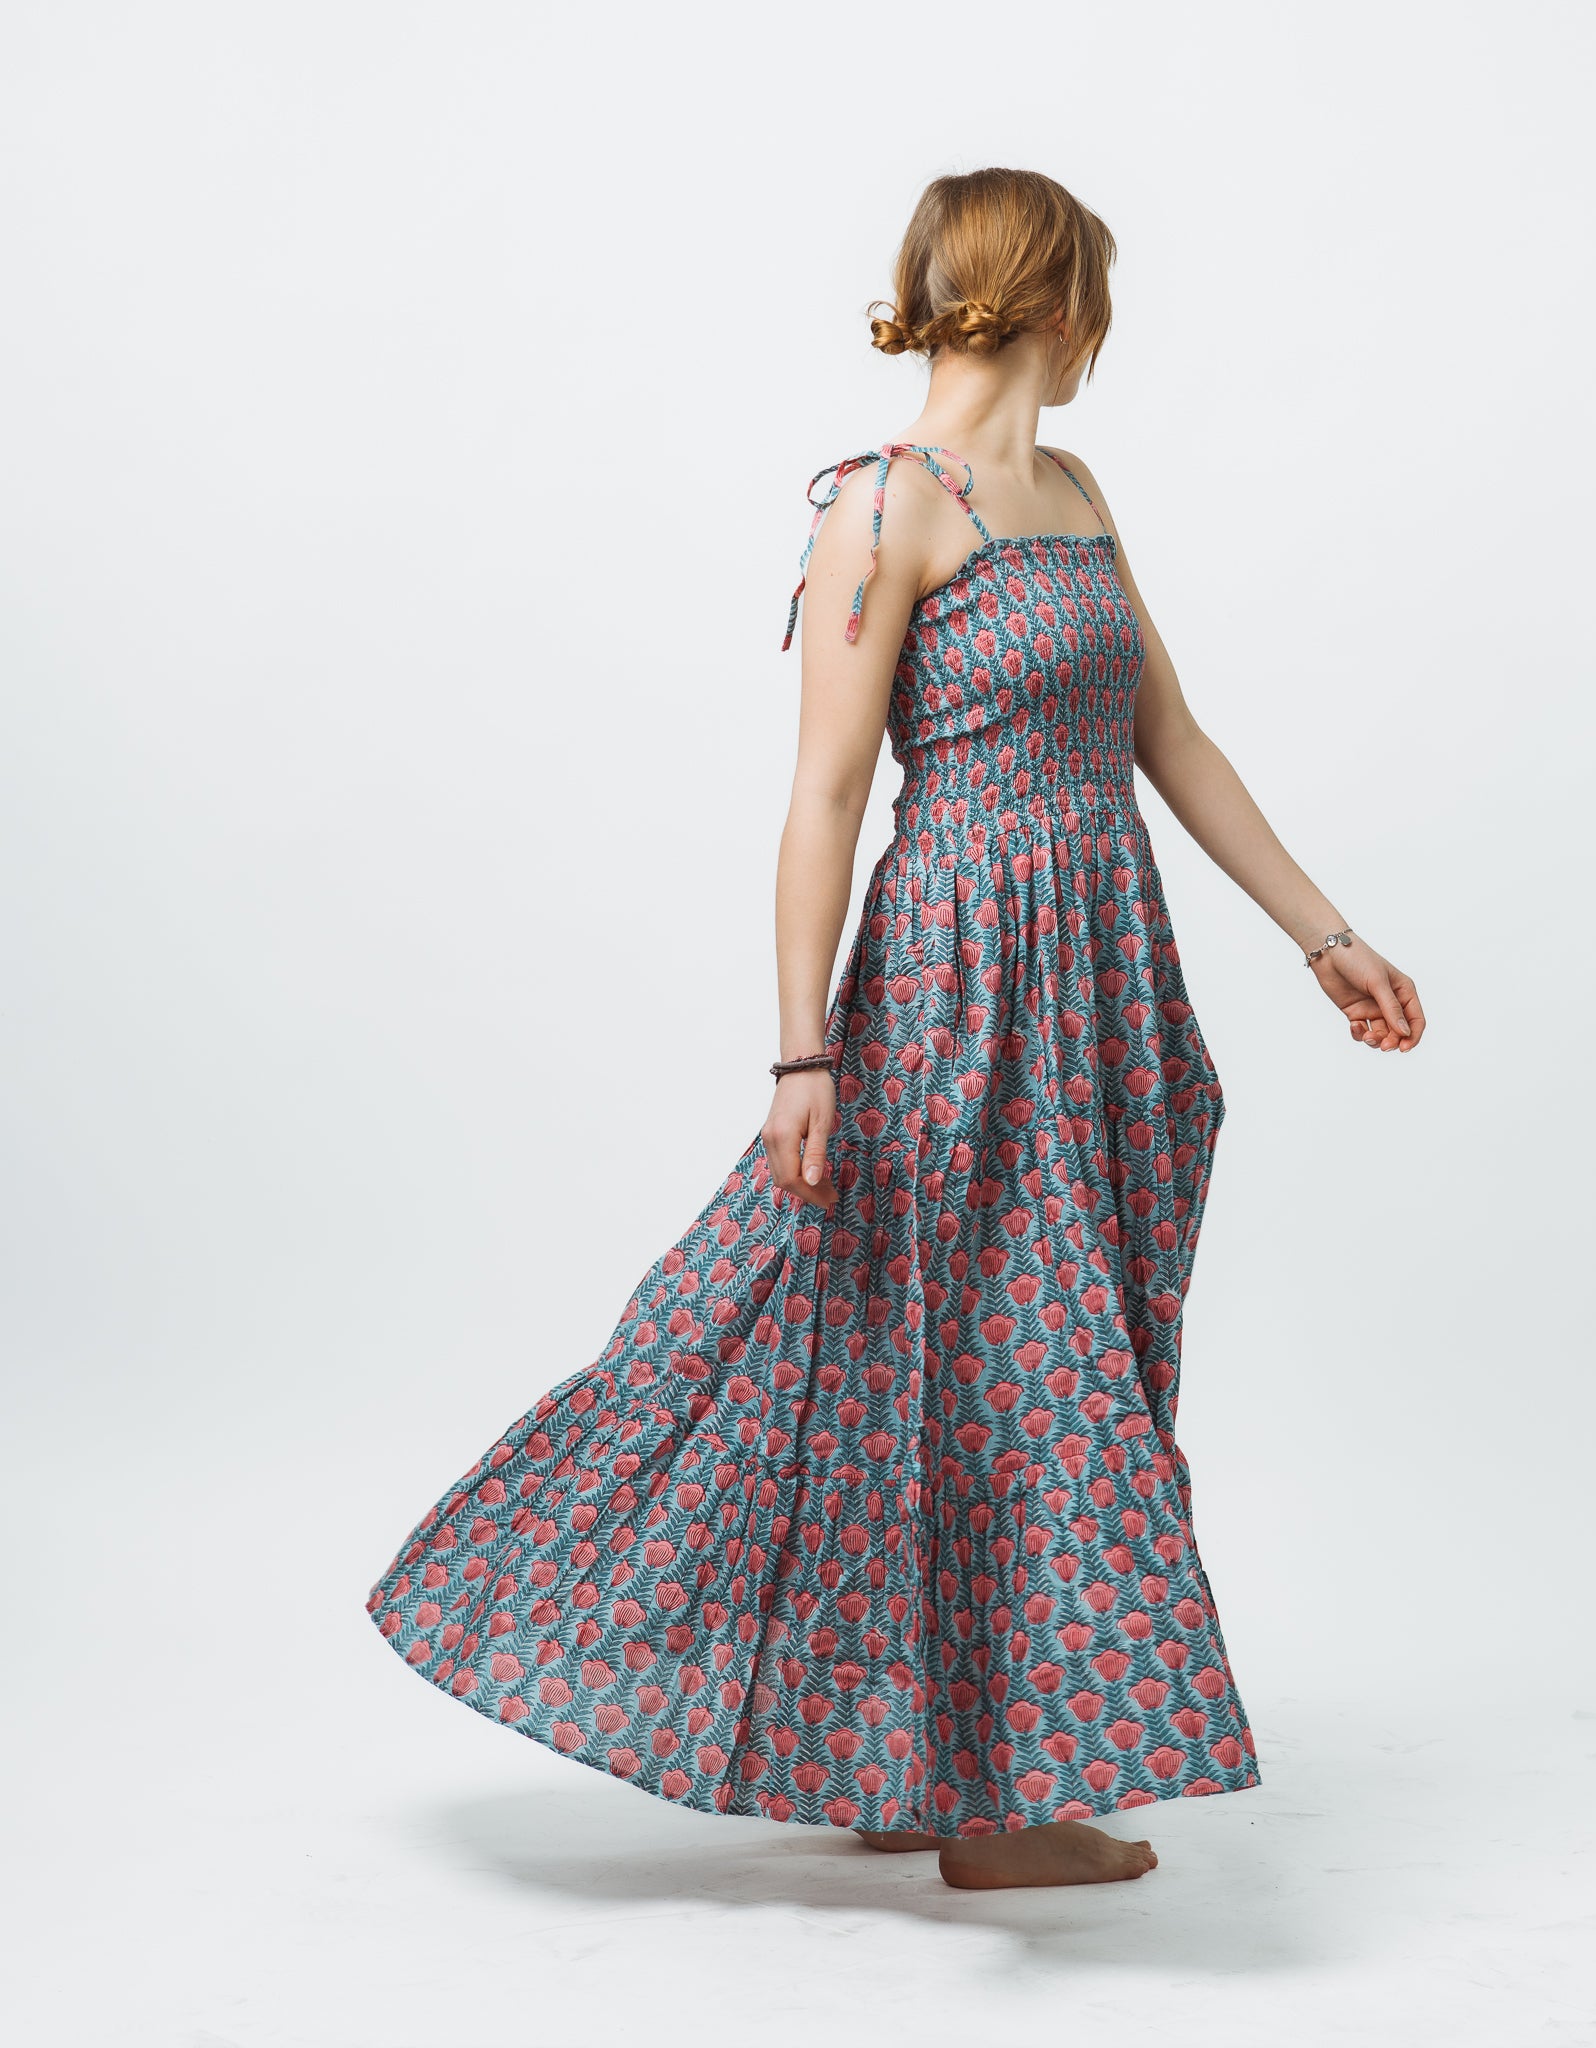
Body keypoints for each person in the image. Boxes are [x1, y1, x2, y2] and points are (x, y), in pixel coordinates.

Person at [365, 165, 1425, 1894]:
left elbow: (1177, 744)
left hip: (1103, 978)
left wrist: (1329, 938)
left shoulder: (1075, 492)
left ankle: (919, 1754)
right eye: (1103, 302)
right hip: (959, 987)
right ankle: (1000, 1806)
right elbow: (826, 795)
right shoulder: (884, 507)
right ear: (1061, 301)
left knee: (991, 1356)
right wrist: (805, 1053)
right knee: (977, 1356)